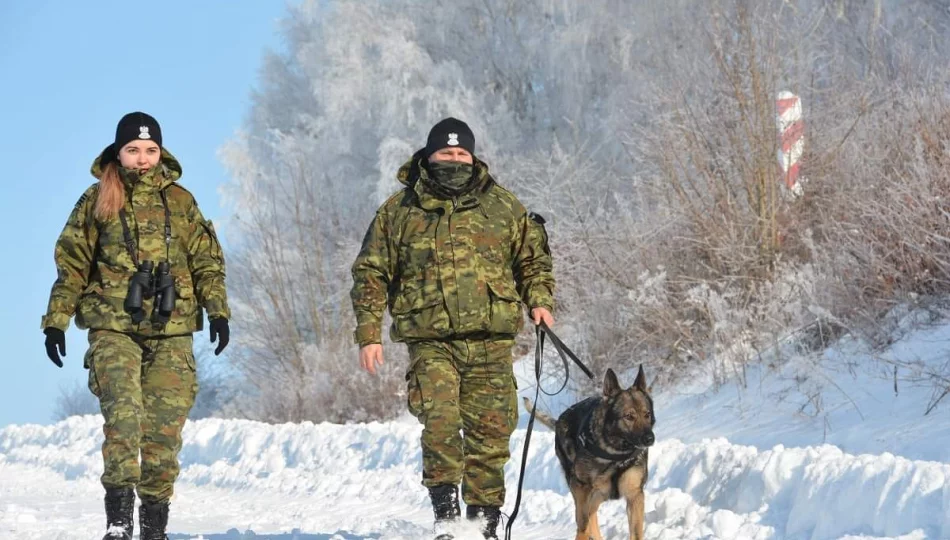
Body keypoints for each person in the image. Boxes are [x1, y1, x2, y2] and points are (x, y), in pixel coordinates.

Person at [350, 118, 555, 539]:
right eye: (446, 153)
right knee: (440, 421)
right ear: (429, 156)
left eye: (462, 153)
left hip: (491, 341)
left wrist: (540, 300)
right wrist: (369, 333)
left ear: (474, 157)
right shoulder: (398, 211)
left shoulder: (502, 206)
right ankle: (447, 517)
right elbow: (371, 272)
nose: (455, 159)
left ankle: (482, 525)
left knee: (491, 431)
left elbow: (532, 260)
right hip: (431, 342)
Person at [41, 112, 231, 540]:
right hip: (113, 326)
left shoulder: (182, 202)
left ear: (160, 153)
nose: (142, 159)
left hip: (173, 328)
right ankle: (118, 523)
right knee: (124, 419)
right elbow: (71, 264)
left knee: (164, 433)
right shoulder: (96, 200)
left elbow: (207, 262)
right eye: (133, 150)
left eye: (150, 151)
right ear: (118, 153)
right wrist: (56, 320)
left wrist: (218, 311)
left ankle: (153, 528)